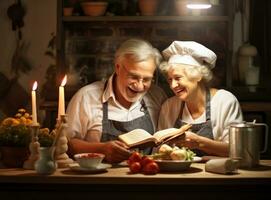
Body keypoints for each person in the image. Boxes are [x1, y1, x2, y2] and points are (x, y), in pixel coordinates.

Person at [66, 38, 167, 163]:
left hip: (146, 177)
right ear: (118, 68)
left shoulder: (157, 97)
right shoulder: (86, 97)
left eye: (146, 79)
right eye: (134, 77)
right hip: (100, 179)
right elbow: (68, 144)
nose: (140, 86)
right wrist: (102, 149)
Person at [158, 41, 243, 157]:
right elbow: (159, 149)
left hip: (216, 173)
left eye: (178, 78)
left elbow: (237, 149)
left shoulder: (225, 101)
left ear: (198, 76)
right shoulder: (169, 106)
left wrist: (200, 142)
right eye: (170, 80)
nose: (173, 85)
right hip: (177, 173)